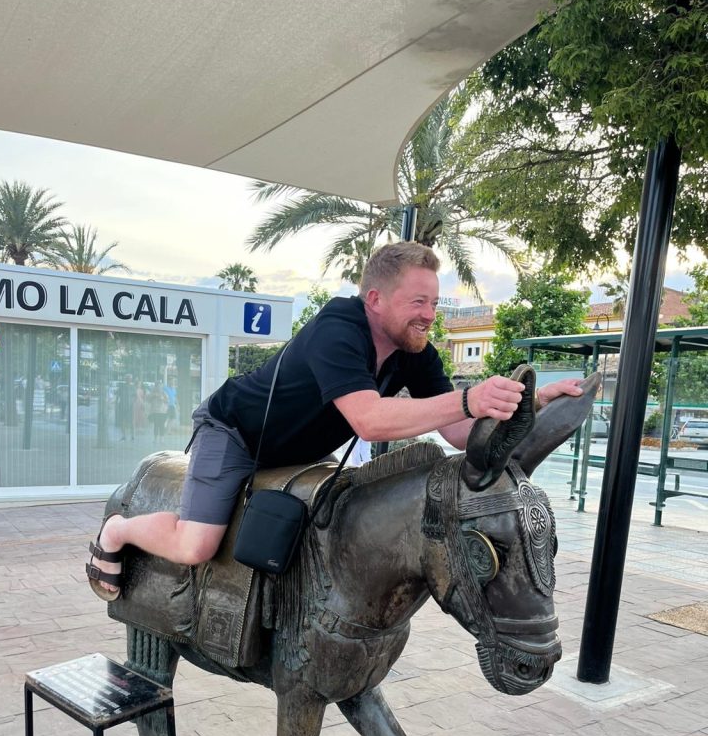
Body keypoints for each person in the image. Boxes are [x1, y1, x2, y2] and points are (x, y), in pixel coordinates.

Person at [86, 242, 583, 599]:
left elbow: (456, 432)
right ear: (375, 300)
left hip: (300, 450)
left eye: (433, 302)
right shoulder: (338, 328)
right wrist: (470, 398)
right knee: (197, 544)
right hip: (236, 432)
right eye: (418, 302)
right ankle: (118, 531)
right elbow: (368, 419)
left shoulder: (415, 352)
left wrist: (527, 403)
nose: (429, 314)